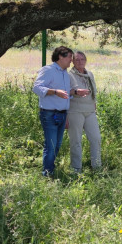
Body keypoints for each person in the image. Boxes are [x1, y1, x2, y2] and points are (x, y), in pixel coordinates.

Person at [32, 46, 73, 176]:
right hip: (49, 114)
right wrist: (55, 92)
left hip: (62, 114)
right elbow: (36, 88)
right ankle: (47, 173)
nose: (71, 61)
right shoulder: (48, 70)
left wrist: (76, 92)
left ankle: (50, 170)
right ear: (60, 56)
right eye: (69, 57)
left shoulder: (65, 73)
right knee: (51, 145)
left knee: (57, 145)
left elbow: (64, 95)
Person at [67, 51, 102, 173]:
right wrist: (76, 92)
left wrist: (94, 104)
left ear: (86, 60)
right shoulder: (69, 75)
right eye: (77, 60)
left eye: (82, 59)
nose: (80, 62)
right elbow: (65, 92)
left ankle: (96, 166)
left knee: (96, 138)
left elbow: (94, 92)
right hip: (75, 111)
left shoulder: (90, 74)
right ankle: (76, 169)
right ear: (72, 61)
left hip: (90, 111)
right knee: (76, 140)